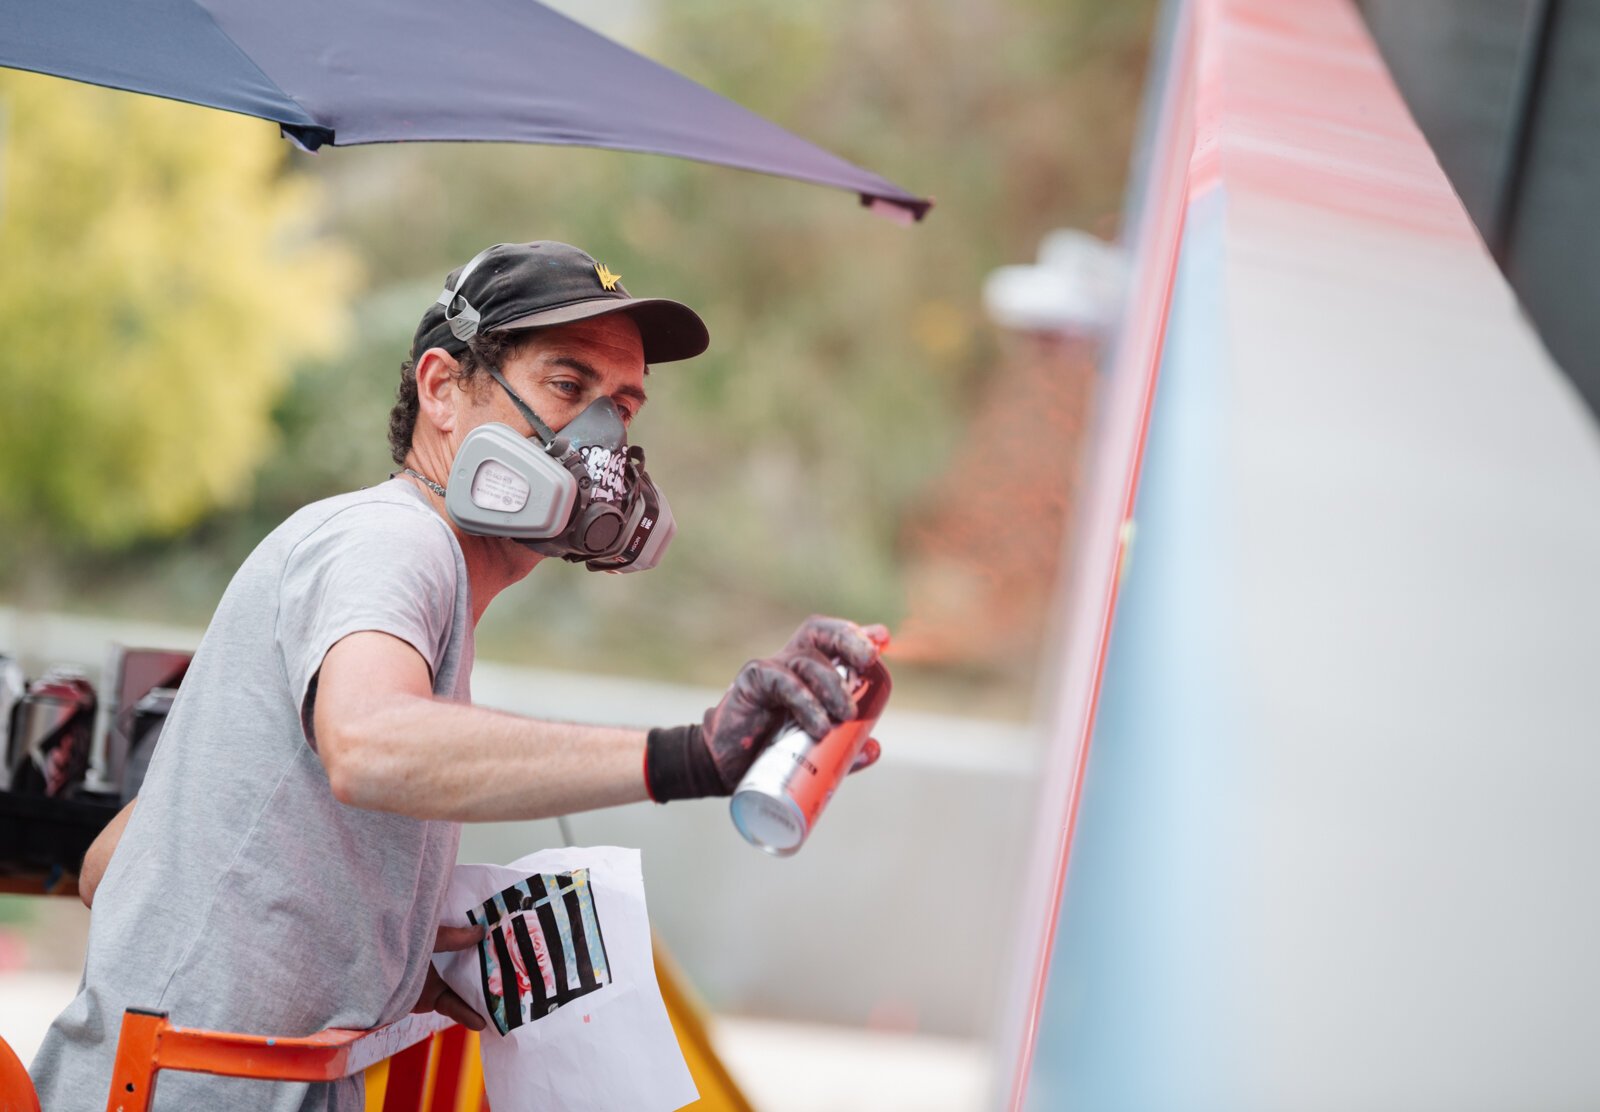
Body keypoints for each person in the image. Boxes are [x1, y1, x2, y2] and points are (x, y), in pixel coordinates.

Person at [32, 241, 886, 1110]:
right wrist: (690, 755)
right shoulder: (394, 542)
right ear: (442, 389)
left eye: (623, 406)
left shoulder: (409, 585)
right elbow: (366, 745)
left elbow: (112, 865)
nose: (602, 443)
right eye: (566, 386)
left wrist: (397, 958)